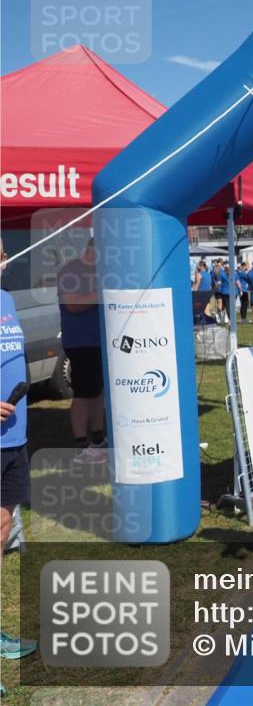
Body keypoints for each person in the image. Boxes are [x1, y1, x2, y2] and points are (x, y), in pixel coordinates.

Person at [0, 238, 38, 662]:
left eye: (4, 253)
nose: (5, 259)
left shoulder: (6, 298)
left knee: (3, 530)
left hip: (15, 438)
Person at [56, 239, 107, 465]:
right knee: (84, 394)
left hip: (99, 341)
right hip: (81, 341)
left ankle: (98, 440)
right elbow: (72, 304)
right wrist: (102, 293)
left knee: (96, 392)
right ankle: (81, 447)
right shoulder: (71, 270)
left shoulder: (100, 270)